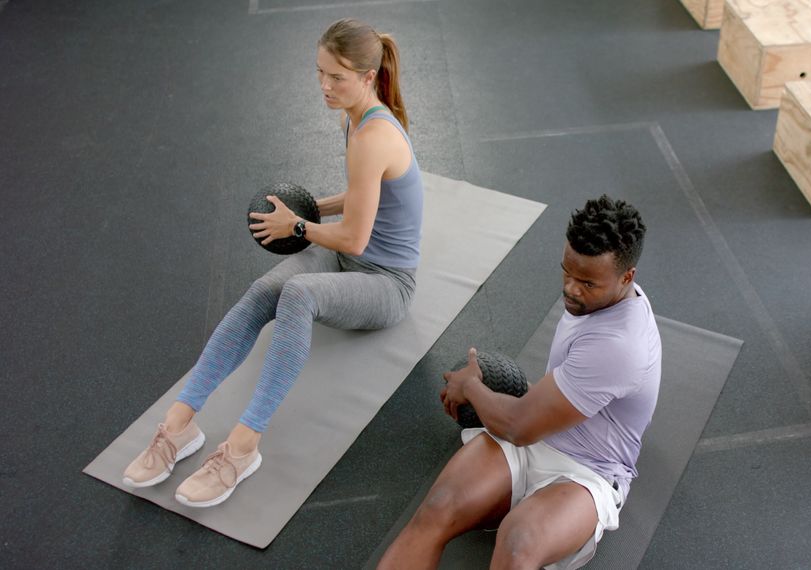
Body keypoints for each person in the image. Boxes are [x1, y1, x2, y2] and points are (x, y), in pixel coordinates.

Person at [121, 18, 423, 508]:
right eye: (320, 73)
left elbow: (355, 236)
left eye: (337, 77)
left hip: (387, 283)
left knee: (298, 293)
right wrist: (305, 209)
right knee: (265, 290)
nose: (325, 86)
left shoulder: (374, 135)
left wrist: (297, 228)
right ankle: (179, 425)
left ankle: (243, 448)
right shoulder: (355, 114)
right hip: (350, 259)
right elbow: (363, 197)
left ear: (368, 77)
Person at [379, 196, 661, 570]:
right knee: (438, 507)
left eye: (587, 282)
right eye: (567, 273)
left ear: (628, 277)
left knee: (518, 543)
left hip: (587, 472)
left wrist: (472, 387)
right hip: (537, 436)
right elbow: (529, 420)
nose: (571, 289)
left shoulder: (621, 347)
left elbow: (517, 426)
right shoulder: (595, 297)